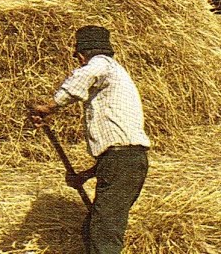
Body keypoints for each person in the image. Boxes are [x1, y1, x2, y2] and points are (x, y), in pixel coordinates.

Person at [28, 26, 150, 254]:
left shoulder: (101, 64)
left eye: (78, 57)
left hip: (125, 163)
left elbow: (84, 77)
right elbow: (116, 155)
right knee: (93, 227)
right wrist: (85, 175)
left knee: (104, 231)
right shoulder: (116, 74)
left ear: (83, 53)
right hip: (126, 162)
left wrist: (50, 107)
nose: (79, 62)